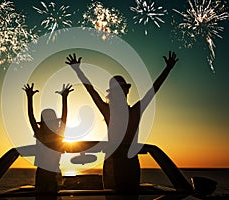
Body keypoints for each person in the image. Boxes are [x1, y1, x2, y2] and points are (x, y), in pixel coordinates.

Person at [65, 52, 178, 194]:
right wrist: (77, 70)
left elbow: (153, 90)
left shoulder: (135, 110)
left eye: (122, 89)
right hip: (113, 163)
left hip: (130, 163)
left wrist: (167, 69)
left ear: (126, 91)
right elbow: (91, 90)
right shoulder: (110, 111)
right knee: (113, 195)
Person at [23, 83, 73, 197]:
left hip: (50, 173)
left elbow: (31, 118)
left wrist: (29, 98)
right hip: (46, 173)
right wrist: (29, 98)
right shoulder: (54, 135)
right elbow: (31, 117)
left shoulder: (48, 135)